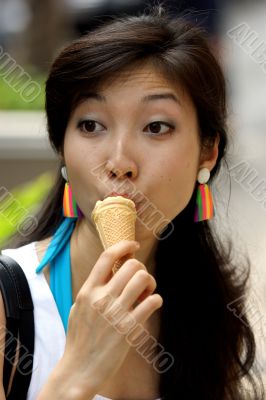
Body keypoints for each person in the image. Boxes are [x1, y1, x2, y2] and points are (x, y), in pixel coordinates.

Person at [0, 5, 264, 400]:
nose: (120, 162)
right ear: (62, 150)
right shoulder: (10, 306)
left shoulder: (212, 313)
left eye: (156, 126)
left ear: (207, 152)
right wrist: (76, 375)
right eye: (91, 125)